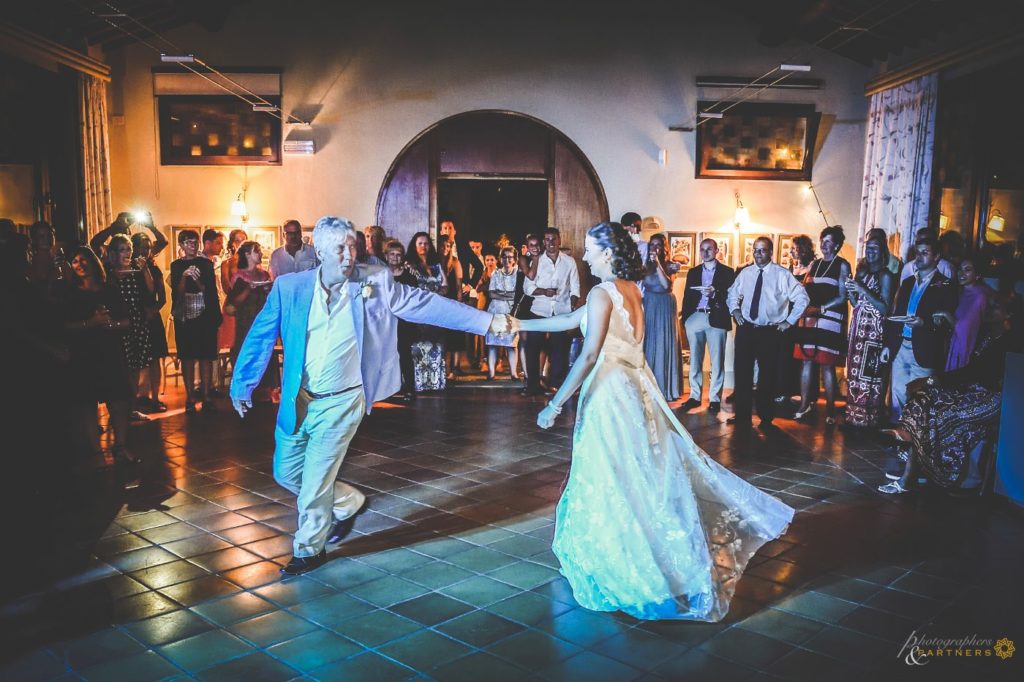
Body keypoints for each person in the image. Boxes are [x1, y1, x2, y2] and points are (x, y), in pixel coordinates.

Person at [512, 222, 793, 621]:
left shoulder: (600, 292)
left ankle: (621, 564)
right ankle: (662, 561)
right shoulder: (631, 291)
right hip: (633, 393)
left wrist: (554, 404)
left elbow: (590, 354)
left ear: (607, 253)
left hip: (609, 395)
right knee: (639, 474)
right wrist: (520, 323)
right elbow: (573, 319)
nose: (586, 255)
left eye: (591, 249)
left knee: (610, 476)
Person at [230, 216, 509, 575]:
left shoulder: (375, 281)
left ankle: (308, 549)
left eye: (352, 246)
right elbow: (260, 334)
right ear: (319, 252)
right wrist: (243, 382)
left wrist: (486, 323)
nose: (349, 256)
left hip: (345, 399)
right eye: (339, 249)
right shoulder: (289, 288)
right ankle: (347, 503)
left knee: (315, 482)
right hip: (299, 397)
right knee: (286, 473)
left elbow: (427, 304)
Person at [879, 295, 1019, 494]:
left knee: (941, 414)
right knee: (923, 400)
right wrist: (933, 382)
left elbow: (980, 373)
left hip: (995, 399)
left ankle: (919, 469)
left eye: (997, 305)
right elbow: (971, 371)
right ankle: (913, 468)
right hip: (972, 390)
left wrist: (933, 379)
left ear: (1009, 314)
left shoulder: (1012, 342)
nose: (990, 307)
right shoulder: (986, 334)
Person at [60, 246, 135, 463]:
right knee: (88, 403)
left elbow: (127, 320)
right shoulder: (71, 294)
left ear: (94, 262)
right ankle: (96, 452)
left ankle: (120, 446)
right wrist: (90, 323)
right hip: (84, 353)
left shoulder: (109, 289)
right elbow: (64, 327)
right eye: (75, 261)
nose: (80, 264)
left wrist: (111, 324)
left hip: (110, 351)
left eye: (84, 260)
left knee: (119, 401)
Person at [726, 237, 809, 429]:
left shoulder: (781, 275)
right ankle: (742, 417)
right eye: (755, 250)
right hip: (746, 329)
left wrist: (789, 321)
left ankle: (766, 417)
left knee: (767, 376)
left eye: (762, 250)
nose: (758, 254)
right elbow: (732, 294)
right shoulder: (745, 273)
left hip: (770, 332)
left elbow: (802, 298)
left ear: (771, 252)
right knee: (743, 373)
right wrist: (735, 310)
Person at [883, 237, 956, 422]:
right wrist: (888, 346)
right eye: (918, 253)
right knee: (898, 393)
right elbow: (896, 316)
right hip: (901, 346)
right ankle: (901, 436)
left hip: (925, 349)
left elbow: (947, 323)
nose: (919, 257)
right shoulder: (908, 283)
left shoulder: (946, 285)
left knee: (919, 397)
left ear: (937, 256)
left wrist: (924, 323)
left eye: (925, 253)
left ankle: (915, 442)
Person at [792, 226, 851, 424]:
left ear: (836, 244)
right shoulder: (815, 264)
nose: (823, 245)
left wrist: (821, 309)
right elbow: (805, 290)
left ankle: (831, 410)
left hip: (830, 319)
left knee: (827, 365)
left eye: (828, 241)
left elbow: (843, 297)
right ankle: (804, 404)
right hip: (810, 318)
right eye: (822, 240)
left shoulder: (842, 265)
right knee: (806, 361)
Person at [843, 230, 896, 428]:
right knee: (855, 376)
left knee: (870, 377)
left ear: (882, 251)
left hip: (874, 334)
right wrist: (851, 291)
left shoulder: (886, 276)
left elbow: (885, 307)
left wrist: (862, 289)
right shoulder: (863, 273)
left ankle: (869, 421)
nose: (870, 252)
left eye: (875, 248)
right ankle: (853, 417)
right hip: (858, 331)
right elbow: (857, 304)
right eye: (868, 248)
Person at [103, 234, 155, 421]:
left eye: (129, 250)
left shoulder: (136, 272)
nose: (126, 254)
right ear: (114, 253)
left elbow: (150, 291)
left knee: (135, 369)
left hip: (137, 325)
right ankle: (116, 410)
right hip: (117, 327)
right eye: (122, 250)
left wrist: (145, 269)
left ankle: (132, 409)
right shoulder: (108, 273)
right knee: (120, 369)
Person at [170, 229, 223, 413]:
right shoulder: (176, 266)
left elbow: (209, 291)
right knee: (187, 356)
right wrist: (185, 277)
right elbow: (177, 293)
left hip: (205, 314)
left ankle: (207, 395)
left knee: (206, 355)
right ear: (181, 245)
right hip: (185, 315)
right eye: (188, 242)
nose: (192, 245)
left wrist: (197, 279)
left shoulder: (206, 264)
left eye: (194, 242)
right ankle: (190, 396)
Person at [522, 227, 580, 395]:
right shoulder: (537, 261)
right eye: (547, 240)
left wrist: (572, 305)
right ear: (543, 242)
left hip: (561, 310)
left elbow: (575, 287)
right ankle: (533, 385)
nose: (551, 243)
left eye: (553, 239)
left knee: (559, 348)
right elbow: (528, 288)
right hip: (539, 310)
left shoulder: (569, 262)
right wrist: (544, 292)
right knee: (533, 347)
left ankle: (556, 384)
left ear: (559, 240)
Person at [681, 238, 735, 412]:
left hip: (717, 318)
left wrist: (715, 294)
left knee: (717, 361)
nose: (705, 252)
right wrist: (686, 320)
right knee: (695, 359)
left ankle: (714, 399)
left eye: (709, 249)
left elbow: (731, 297)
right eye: (702, 249)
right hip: (696, 316)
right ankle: (694, 396)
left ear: (717, 250)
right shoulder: (693, 272)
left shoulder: (727, 272)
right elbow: (687, 297)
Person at [225, 241, 278, 400]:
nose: (260, 254)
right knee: (247, 352)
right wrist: (249, 288)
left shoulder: (264, 275)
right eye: (257, 251)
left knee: (265, 352)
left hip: (262, 320)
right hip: (246, 321)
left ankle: (266, 389)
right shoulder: (240, 276)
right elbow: (234, 301)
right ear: (248, 254)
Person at [130, 232, 169, 414]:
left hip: (151, 316)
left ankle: (155, 397)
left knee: (155, 358)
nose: (145, 251)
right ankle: (135, 398)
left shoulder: (153, 269)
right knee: (135, 359)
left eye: (147, 248)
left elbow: (160, 296)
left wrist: (153, 310)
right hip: (133, 318)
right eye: (142, 247)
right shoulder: (127, 268)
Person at [774, 235, 815, 404]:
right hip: (789, 314)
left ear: (803, 248)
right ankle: (784, 390)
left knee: (805, 355)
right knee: (785, 352)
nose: (790, 250)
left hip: (805, 316)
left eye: (793, 247)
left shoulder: (813, 267)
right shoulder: (791, 267)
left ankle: (808, 395)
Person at [405, 232, 448, 391]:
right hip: (420, 310)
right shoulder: (410, 266)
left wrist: (440, 292)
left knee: (436, 345)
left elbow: (445, 284)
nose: (423, 246)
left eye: (426, 243)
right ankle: (420, 383)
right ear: (415, 246)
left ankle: (435, 382)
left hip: (435, 310)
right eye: (420, 243)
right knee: (420, 346)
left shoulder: (436, 265)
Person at [641, 233, 682, 401]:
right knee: (650, 342)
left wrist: (658, 263)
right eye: (652, 245)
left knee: (664, 341)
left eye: (658, 245)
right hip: (650, 303)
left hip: (665, 304)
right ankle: (649, 386)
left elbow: (666, 285)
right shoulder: (644, 266)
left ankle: (667, 388)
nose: (655, 248)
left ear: (664, 248)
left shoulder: (671, 266)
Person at [945, 257, 993, 371]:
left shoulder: (980, 295)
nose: (961, 273)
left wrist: (945, 315)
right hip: (955, 344)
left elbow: (965, 327)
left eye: (967, 270)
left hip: (965, 349)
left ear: (977, 275)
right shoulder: (961, 291)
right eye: (960, 269)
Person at [385, 239, 419, 400]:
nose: (395, 258)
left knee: (404, 353)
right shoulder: (382, 276)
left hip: (403, 321)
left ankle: (409, 387)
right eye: (392, 254)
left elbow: (413, 298)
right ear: (386, 256)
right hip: (385, 322)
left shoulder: (409, 276)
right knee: (387, 355)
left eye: (398, 255)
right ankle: (390, 388)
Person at [485, 247, 520, 379]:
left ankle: (513, 373)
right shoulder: (496, 273)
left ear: (514, 259)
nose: (507, 259)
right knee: (493, 344)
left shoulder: (518, 274)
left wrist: (502, 294)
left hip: (511, 312)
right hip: (495, 312)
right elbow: (492, 293)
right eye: (504, 257)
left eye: (510, 257)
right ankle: (491, 373)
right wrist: (508, 296)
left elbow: (517, 294)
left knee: (511, 344)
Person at [438, 235, 466, 378]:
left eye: (448, 246)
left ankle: (455, 367)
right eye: (443, 245)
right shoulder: (435, 262)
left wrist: (459, 302)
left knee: (456, 334)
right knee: (443, 335)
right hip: (440, 301)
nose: (445, 248)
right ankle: (444, 367)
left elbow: (458, 285)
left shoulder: (454, 262)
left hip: (453, 300)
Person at [218, 229, 248, 358]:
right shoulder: (227, 263)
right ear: (232, 243)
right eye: (237, 240)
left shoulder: (252, 261)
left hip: (250, 305)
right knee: (235, 343)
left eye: (244, 240)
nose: (241, 243)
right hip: (233, 305)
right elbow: (226, 288)